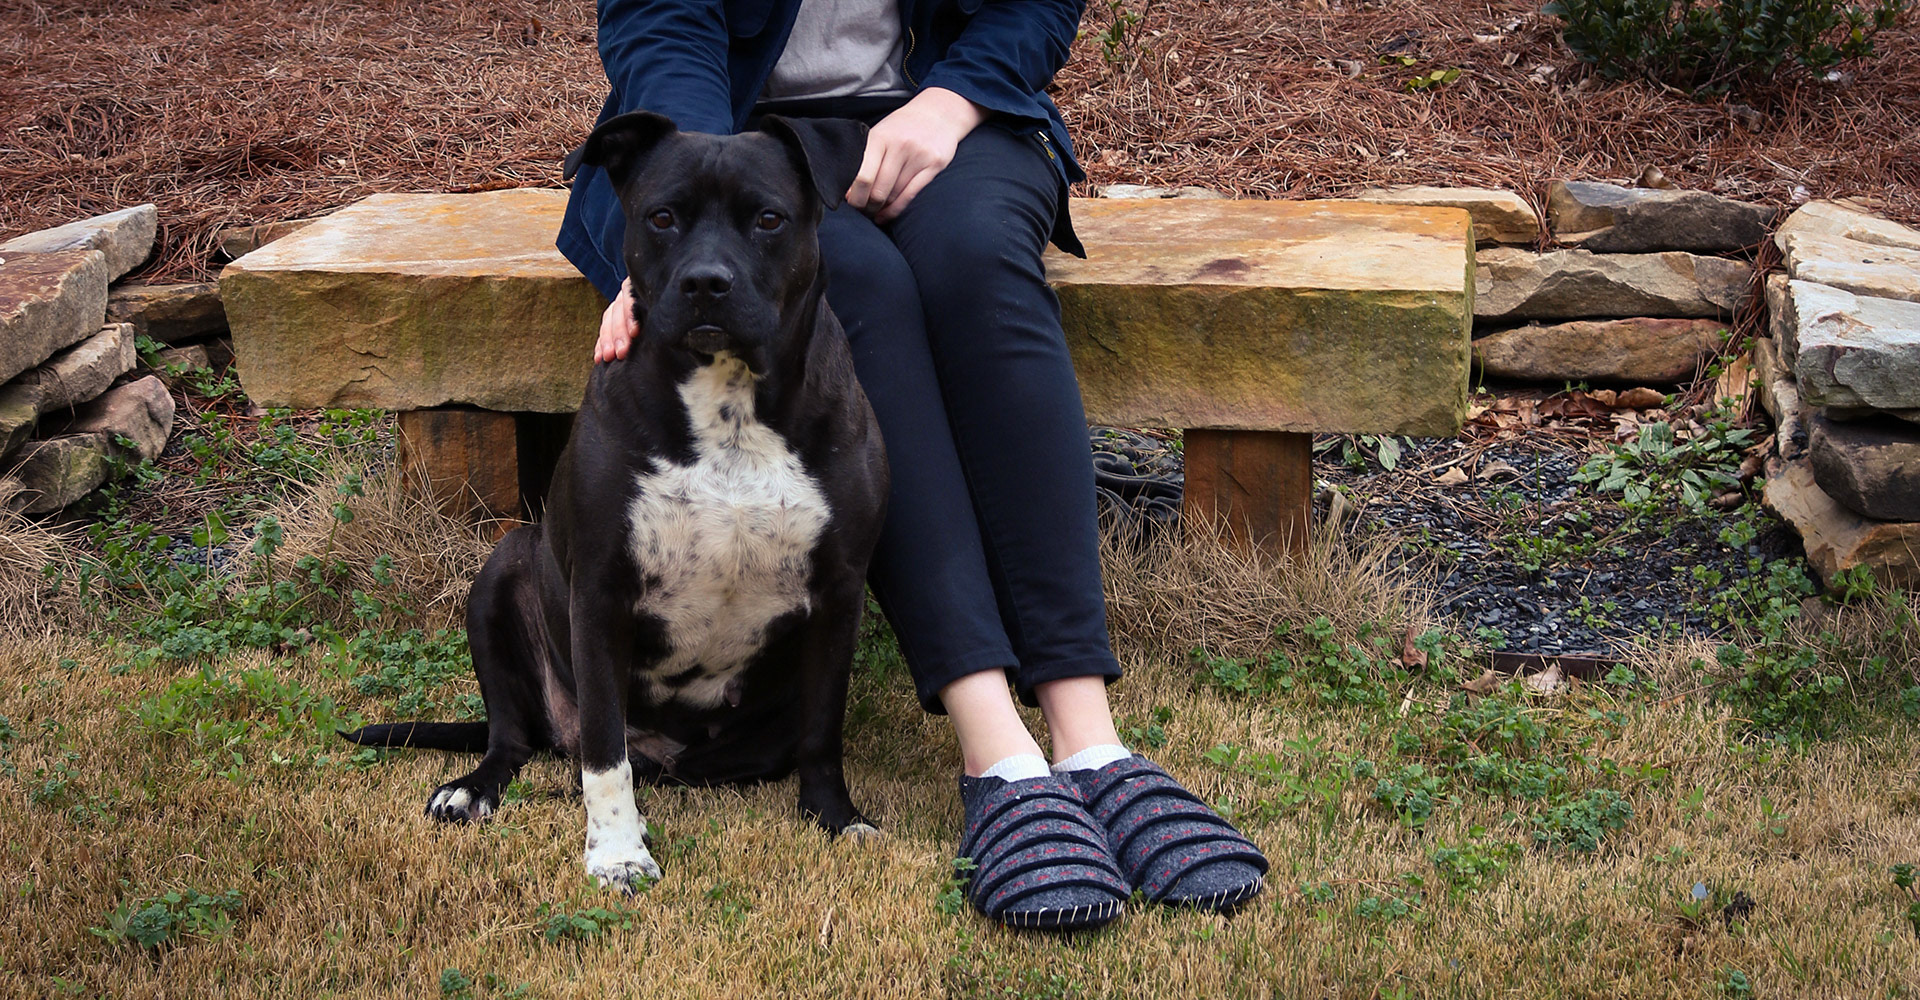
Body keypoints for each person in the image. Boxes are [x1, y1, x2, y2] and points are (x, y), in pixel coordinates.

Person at [557, 0, 1267, 931]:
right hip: (737, 130)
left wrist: (953, 99)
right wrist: (685, 217)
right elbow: (663, 20)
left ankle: (1091, 740)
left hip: (950, 108)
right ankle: (997, 752)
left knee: (979, 262)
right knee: (863, 288)